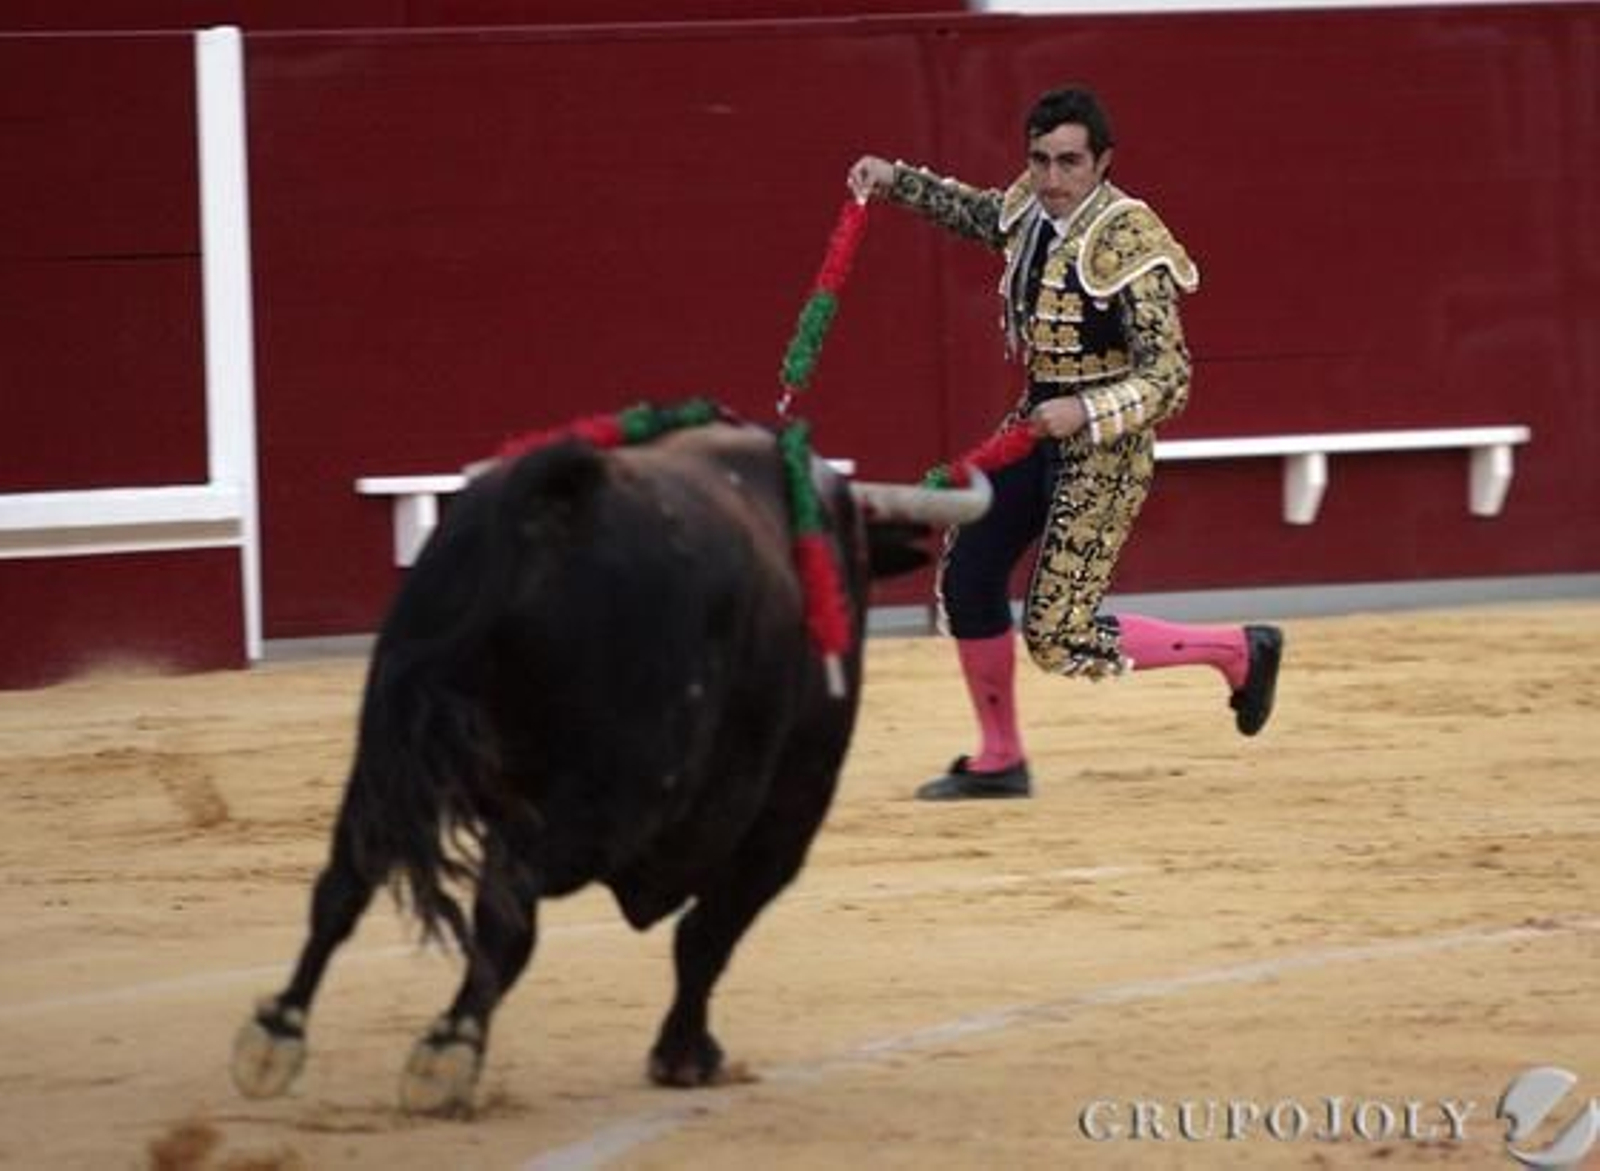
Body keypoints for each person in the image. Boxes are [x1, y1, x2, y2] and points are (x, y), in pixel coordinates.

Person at [847, 85, 1283, 801]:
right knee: (968, 575)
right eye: (1041, 160)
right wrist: (895, 181)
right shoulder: (1031, 203)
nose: (1051, 178)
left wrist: (1087, 409)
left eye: (1069, 163)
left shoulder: (1130, 242)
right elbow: (985, 214)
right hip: (1037, 420)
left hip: (1106, 446)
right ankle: (1000, 758)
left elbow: (1171, 378)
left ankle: (1239, 650)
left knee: (1059, 633)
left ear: (1102, 163)